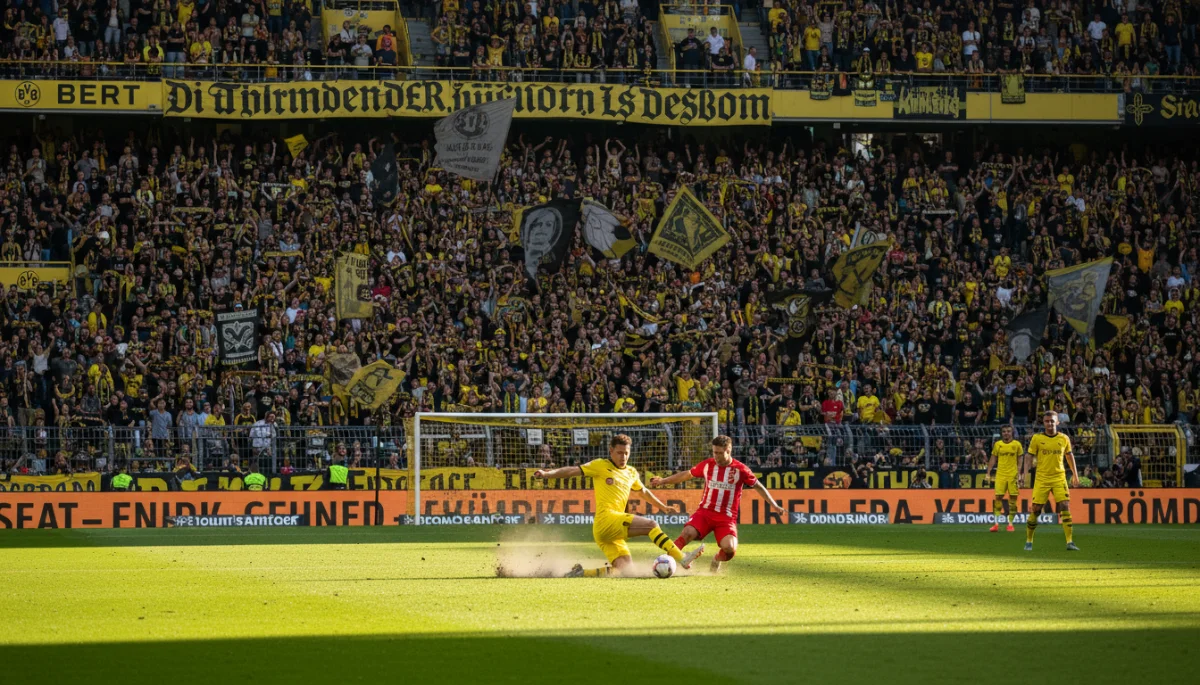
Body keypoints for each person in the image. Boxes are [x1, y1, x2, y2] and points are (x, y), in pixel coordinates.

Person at [534, 434, 704, 577]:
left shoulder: (631, 472)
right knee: (651, 525)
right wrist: (547, 474)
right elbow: (572, 470)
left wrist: (663, 507)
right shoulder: (600, 465)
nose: (623, 457)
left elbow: (643, 491)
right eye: (619, 453)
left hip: (610, 533)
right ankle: (682, 558)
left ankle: (581, 573)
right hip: (606, 520)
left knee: (626, 570)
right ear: (611, 451)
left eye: (626, 453)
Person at [649, 435, 786, 573]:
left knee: (730, 548)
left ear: (729, 450)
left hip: (726, 518)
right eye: (715, 452)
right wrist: (663, 481)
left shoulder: (741, 470)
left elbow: (758, 486)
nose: (716, 456)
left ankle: (716, 559)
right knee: (687, 533)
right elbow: (687, 474)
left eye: (720, 453)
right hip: (705, 513)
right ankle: (666, 562)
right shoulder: (708, 465)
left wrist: (774, 505)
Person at [1020, 411, 1080, 551]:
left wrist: (1075, 475)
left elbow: (1069, 456)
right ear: (1043, 423)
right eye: (1047, 421)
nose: (1049, 423)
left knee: (1065, 505)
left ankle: (1070, 541)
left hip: (1059, 477)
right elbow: (1029, 456)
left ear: (1057, 422)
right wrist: (1024, 473)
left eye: (1052, 421)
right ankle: (1029, 541)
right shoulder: (1037, 438)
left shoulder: (1064, 438)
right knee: (1036, 509)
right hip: (1042, 478)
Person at [984, 424, 1022, 532]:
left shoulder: (1017, 445)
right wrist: (988, 472)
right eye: (1004, 431)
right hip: (1000, 475)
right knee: (998, 498)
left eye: (1008, 431)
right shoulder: (998, 444)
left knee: (1013, 499)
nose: (1006, 433)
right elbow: (993, 458)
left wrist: (1019, 473)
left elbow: (1020, 459)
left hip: (1013, 475)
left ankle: (1010, 524)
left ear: (1012, 432)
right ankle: (996, 524)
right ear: (1002, 433)